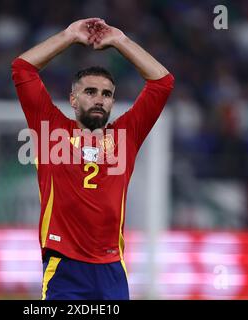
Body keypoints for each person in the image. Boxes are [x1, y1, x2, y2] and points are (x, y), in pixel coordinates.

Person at [11, 18, 174, 300]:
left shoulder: (126, 136)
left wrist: (119, 40)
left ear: (112, 101)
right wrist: (69, 35)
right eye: (90, 91)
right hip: (65, 268)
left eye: (106, 94)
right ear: (73, 99)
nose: (99, 99)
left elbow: (162, 82)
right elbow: (22, 68)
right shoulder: (50, 130)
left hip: (111, 269)